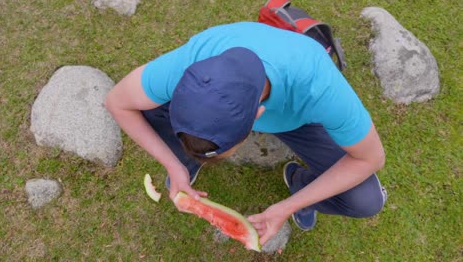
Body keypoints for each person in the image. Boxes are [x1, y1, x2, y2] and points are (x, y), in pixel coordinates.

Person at [105, 22, 387, 245]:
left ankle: (299, 181)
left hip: (299, 120)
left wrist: (289, 206)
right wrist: (172, 163)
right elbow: (117, 101)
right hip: (244, 99)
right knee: (147, 110)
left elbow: (371, 158)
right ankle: (186, 163)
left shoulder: (319, 86)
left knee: (365, 201)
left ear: (256, 120)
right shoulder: (191, 62)